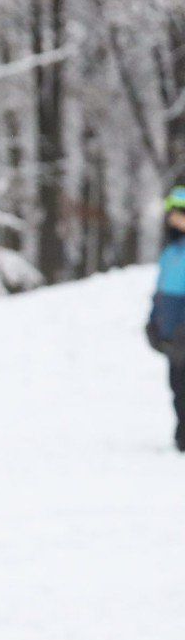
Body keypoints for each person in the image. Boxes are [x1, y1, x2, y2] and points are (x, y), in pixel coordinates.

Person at [146, 186, 185, 451]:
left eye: (180, 213)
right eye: (172, 214)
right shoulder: (170, 253)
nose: (175, 219)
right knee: (177, 386)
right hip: (172, 336)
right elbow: (161, 292)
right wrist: (153, 322)